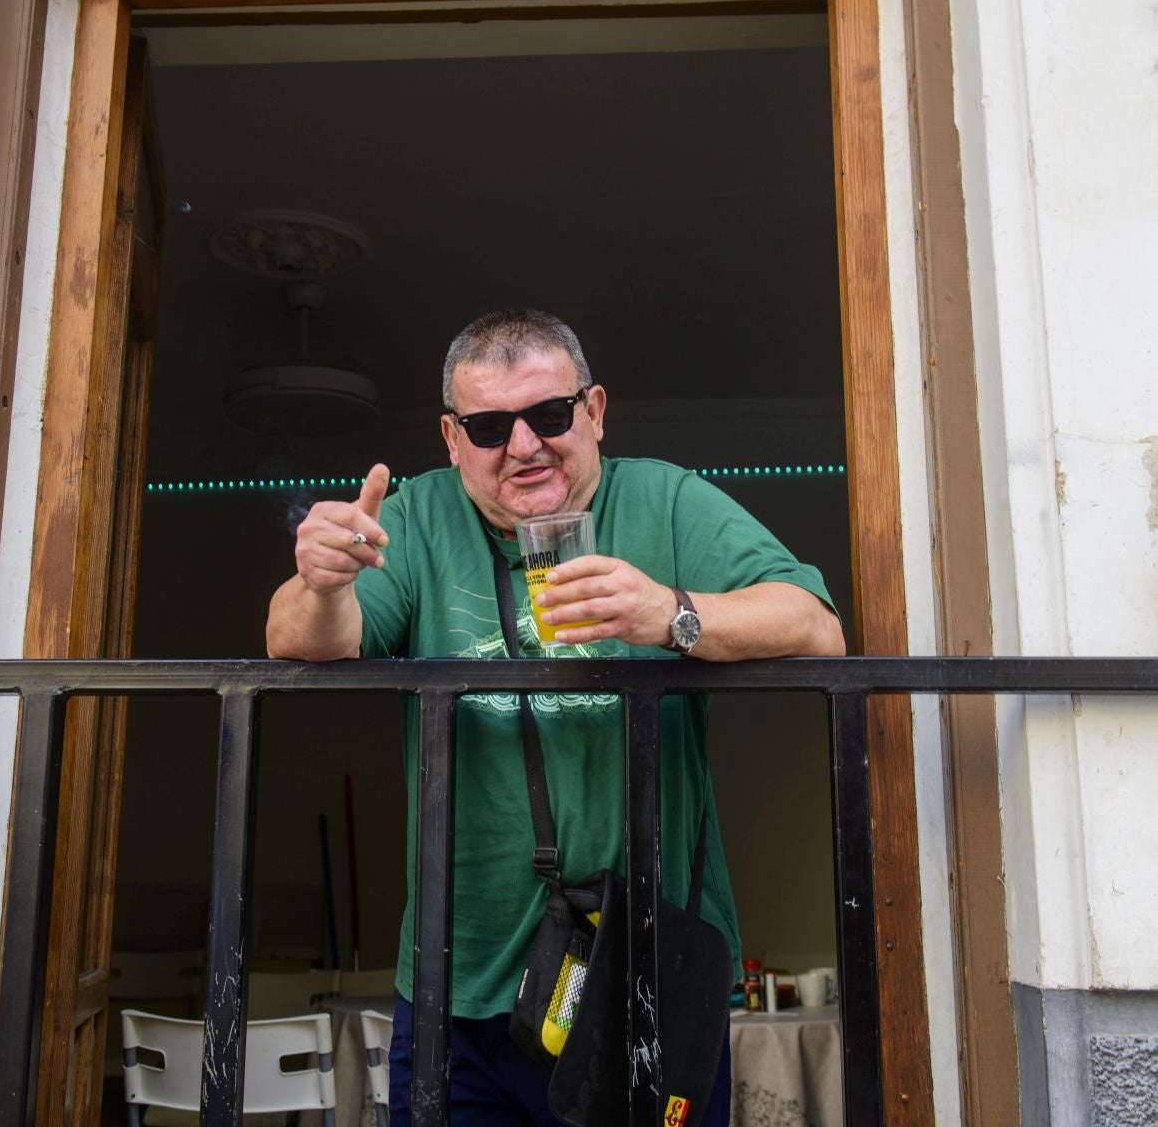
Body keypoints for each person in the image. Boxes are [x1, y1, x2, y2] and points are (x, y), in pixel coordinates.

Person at [267, 308, 844, 1125]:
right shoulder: (417, 516)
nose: (525, 445)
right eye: (491, 425)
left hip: (640, 980)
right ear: (453, 438)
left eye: (549, 414)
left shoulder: (667, 500)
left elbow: (817, 628)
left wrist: (669, 612)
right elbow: (299, 641)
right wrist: (321, 583)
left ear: (595, 411)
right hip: (457, 987)